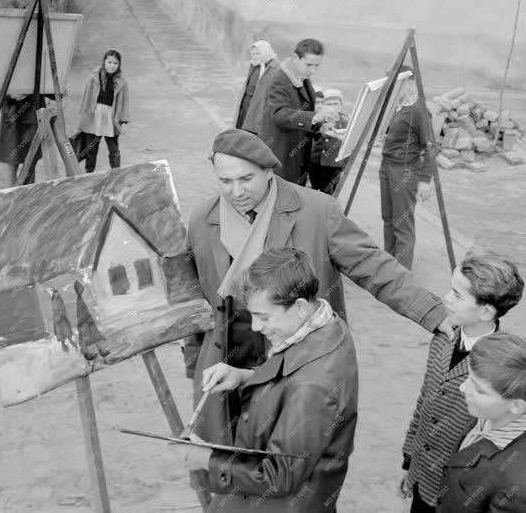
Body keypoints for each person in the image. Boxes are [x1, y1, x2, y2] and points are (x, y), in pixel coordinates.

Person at [182, 128, 453, 449]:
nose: (236, 192)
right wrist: (194, 361)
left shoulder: (316, 211)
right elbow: (194, 300)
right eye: (225, 182)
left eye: (246, 179)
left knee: (292, 453)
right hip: (229, 350)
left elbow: (373, 266)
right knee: (230, 452)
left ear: (268, 172)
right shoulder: (203, 219)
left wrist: (433, 313)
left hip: (298, 353)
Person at [176, 247, 358, 512]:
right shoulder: (324, 324)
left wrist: (207, 458)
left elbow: (279, 475)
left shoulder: (314, 386)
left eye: (264, 316)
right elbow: (291, 387)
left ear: (299, 307)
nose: (256, 327)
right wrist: (244, 376)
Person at [399, 250, 524, 513]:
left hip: (459, 491)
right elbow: (424, 401)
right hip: (422, 476)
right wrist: (409, 461)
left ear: (486, 311)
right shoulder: (443, 337)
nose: (446, 298)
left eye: (457, 295)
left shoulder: (500, 371)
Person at [437, 333, 526, 512]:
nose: (462, 388)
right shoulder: (490, 412)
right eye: (469, 377)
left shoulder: (516, 486)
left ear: (516, 406)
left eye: (478, 388)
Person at [258, 38, 338, 185]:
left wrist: (321, 126)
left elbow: (304, 112)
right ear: (296, 58)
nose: (312, 70)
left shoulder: (302, 77)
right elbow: (279, 114)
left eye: (316, 65)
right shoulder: (280, 79)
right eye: (309, 64)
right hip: (281, 156)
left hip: (295, 157)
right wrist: (315, 117)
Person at [380, 65, 433, 270]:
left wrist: (424, 180)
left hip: (404, 170)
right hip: (387, 167)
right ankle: (388, 265)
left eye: (397, 83)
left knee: (403, 226)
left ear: (410, 83)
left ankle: (401, 275)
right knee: (388, 219)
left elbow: (431, 146)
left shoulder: (419, 109)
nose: (392, 87)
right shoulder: (398, 106)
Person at [76, 49, 129, 172]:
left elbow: (125, 103)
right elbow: (86, 97)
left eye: (115, 63)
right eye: (109, 62)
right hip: (94, 115)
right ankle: (89, 174)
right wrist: (83, 118)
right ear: (104, 62)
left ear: (119, 65)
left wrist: (124, 122)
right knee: (91, 149)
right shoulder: (94, 77)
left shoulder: (122, 83)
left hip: (112, 117)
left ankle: (116, 173)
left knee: (114, 148)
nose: (112, 66)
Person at [0, 92, 55, 186]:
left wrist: (57, 95)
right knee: (11, 159)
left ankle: (27, 195)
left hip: (33, 110)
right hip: (13, 113)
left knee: (30, 160)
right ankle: (10, 195)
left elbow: (51, 89)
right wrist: (11, 95)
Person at [309, 87, 349, 195]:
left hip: (333, 166)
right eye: (328, 104)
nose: (332, 107)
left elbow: (350, 147)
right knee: (311, 191)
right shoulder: (318, 119)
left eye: (335, 104)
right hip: (315, 162)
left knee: (327, 194)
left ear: (341, 105)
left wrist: (342, 165)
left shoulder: (346, 123)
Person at [234, 41, 278, 133]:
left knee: (254, 130)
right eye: (253, 54)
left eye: (258, 53)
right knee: (242, 128)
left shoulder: (274, 68)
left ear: (266, 52)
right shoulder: (254, 65)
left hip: (260, 106)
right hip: (247, 103)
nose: (255, 56)